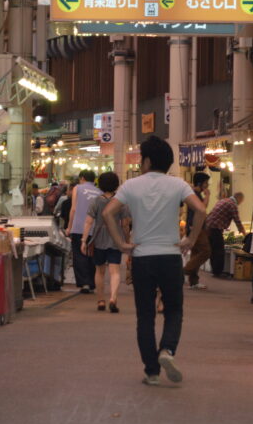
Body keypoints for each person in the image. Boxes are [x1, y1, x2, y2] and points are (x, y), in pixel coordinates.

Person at [103, 136, 206, 386]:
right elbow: (201, 210)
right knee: (173, 310)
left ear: (147, 160)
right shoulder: (178, 184)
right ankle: (167, 351)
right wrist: (190, 239)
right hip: (170, 257)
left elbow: (108, 213)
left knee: (145, 316)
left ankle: (152, 372)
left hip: (142, 257)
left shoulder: (130, 186)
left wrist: (121, 244)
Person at [82, 172, 130, 313]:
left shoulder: (96, 201)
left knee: (100, 271)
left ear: (100, 184)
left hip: (99, 238)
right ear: (116, 184)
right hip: (115, 238)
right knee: (115, 271)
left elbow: (88, 222)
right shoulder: (121, 201)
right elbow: (125, 224)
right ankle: (113, 298)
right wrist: (127, 240)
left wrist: (84, 240)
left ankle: (101, 300)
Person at [67, 171, 102, 293]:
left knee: (79, 255)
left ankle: (84, 283)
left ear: (82, 178)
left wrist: (69, 226)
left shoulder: (78, 188)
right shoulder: (100, 192)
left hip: (79, 228)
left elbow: (74, 209)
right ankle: (92, 283)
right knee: (91, 255)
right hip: (94, 229)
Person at [198, 192, 246, 279]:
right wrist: (244, 233)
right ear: (239, 199)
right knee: (219, 250)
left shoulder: (224, 200)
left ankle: (215, 271)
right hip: (215, 228)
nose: (240, 203)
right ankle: (218, 272)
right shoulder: (232, 204)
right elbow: (237, 220)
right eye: (241, 201)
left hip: (208, 226)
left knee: (213, 250)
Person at [181, 171, 212, 289]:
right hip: (197, 228)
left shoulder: (194, 194)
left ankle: (193, 281)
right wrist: (208, 196)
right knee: (206, 251)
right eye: (206, 182)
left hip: (195, 227)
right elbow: (202, 208)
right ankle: (185, 270)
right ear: (201, 183)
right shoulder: (194, 194)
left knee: (196, 252)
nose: (207, 185)